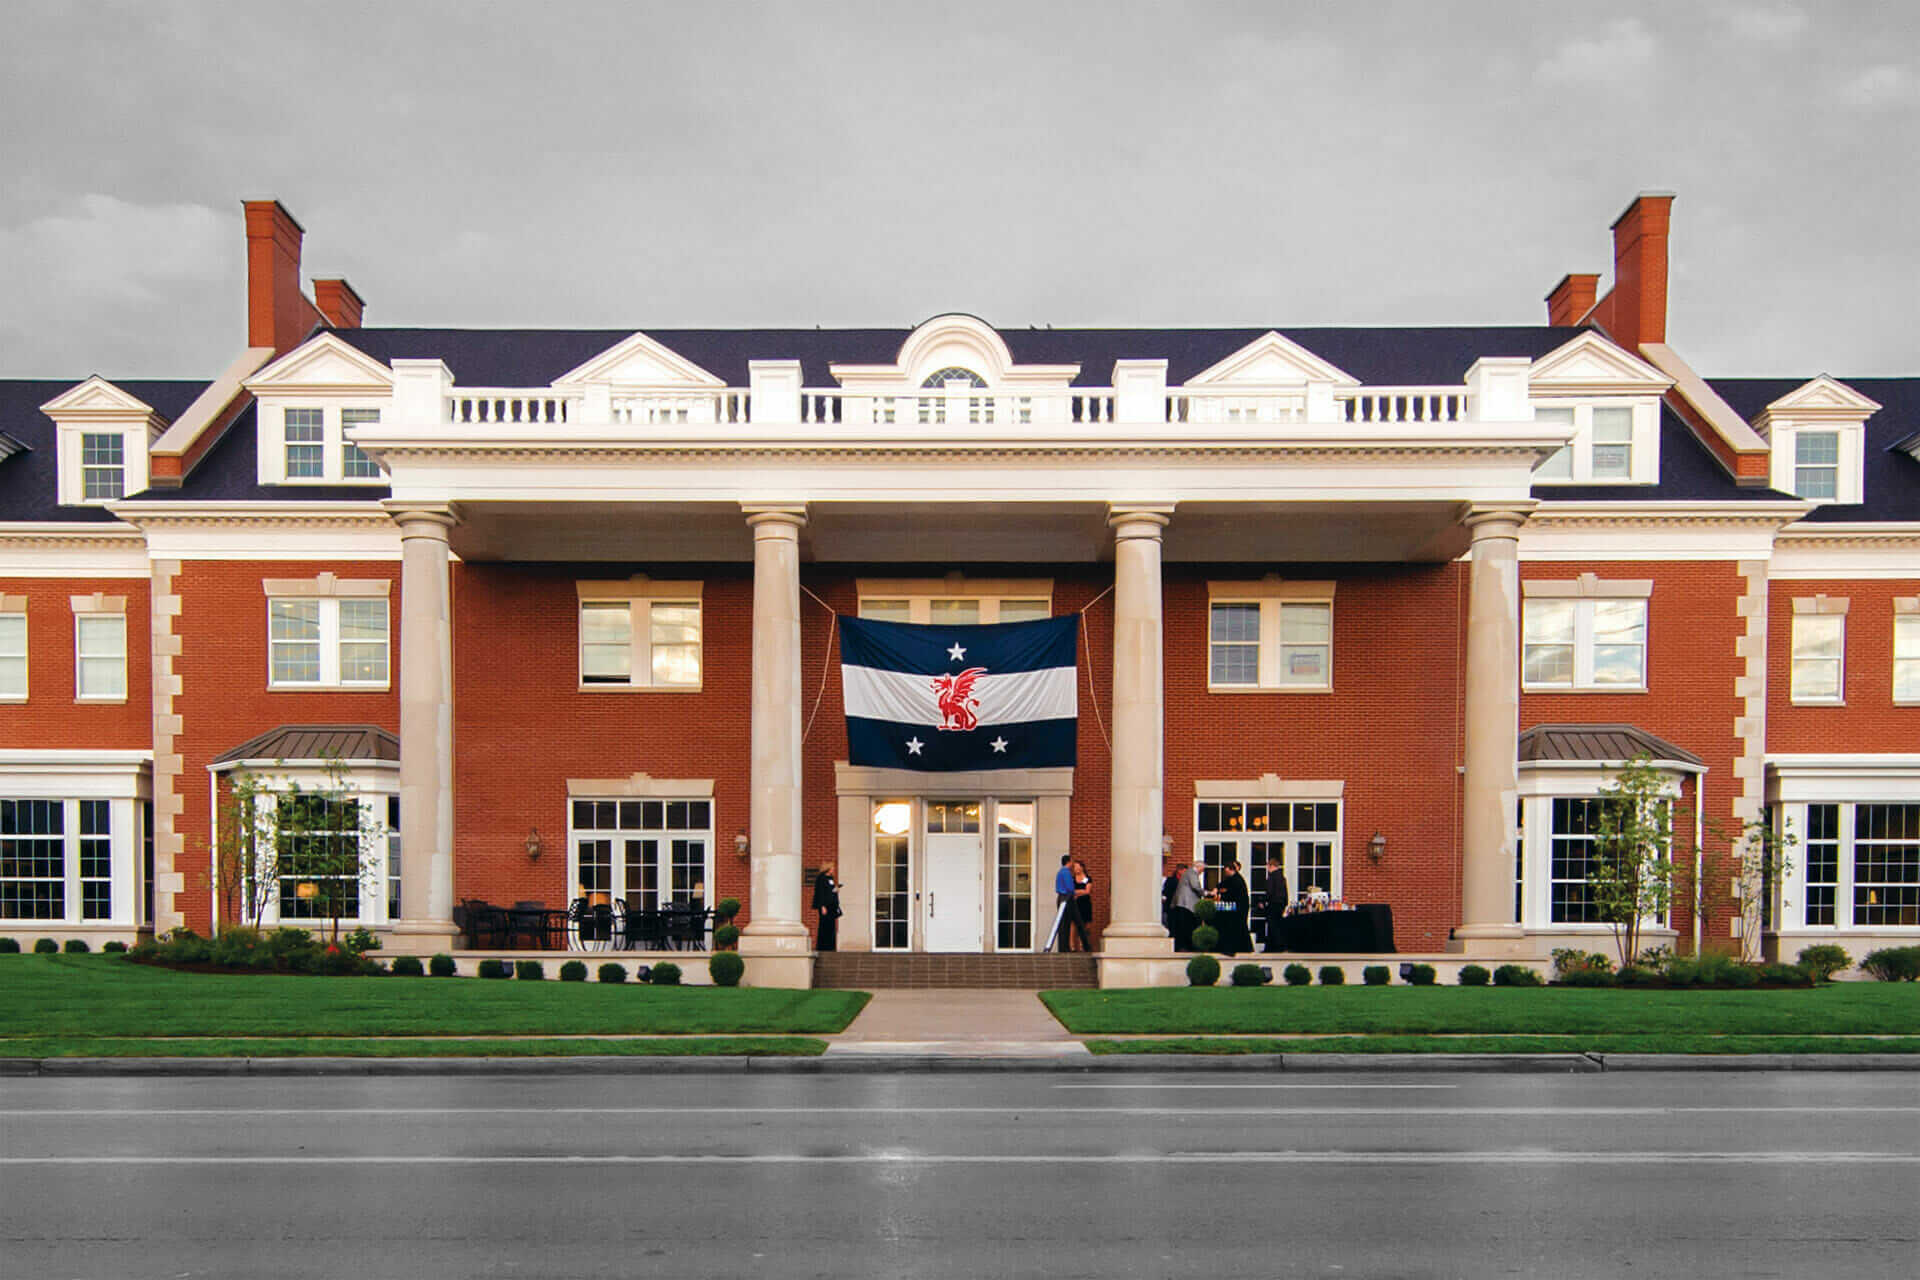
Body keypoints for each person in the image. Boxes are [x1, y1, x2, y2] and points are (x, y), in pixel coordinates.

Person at [1169, 858, 1206, 951]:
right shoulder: (1192, 873)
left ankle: (1184, 946)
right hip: (1186, 904)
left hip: (1183, 903)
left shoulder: (1188, 873)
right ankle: (1187, 946)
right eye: (1202, 869)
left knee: (1183, 927)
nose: (1202, 872)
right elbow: (1195, 886)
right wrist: (1206, 893)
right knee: (1187, 927)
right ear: (1198, 867)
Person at [1217, 858, 1251, 955]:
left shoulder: (1236, 880)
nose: (1225, 872)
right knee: (1240, 928)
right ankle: (1244, 948)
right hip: (1238, 907)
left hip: (1239, 908)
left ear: (1229, 869)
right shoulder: (1233, 878)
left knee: (1236, 927)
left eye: (1225, 870)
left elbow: (1231, 893)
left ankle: (1233, 949)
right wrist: (1219, 888)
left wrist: (1222, 892)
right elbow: (1223, 885)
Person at [1048, 854, 1077, 951]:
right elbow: (1069, 886)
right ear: (1068, 862)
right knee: (1065, 923)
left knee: (1064, 922)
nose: (1073, 863)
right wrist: (1074, 892)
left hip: (1062, 898)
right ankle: (1064, 947)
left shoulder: (1061, 872)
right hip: (1066, 898)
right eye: (1072, 861)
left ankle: (1064, 946)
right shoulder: (1066, 872)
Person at [1262, 853, 1289, 953]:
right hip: (1280, 904)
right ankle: (1279, 946)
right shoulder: (1282, 877)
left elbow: (1270, 891)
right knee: (1278, 925)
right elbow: (1285, 892)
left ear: (1272, 866)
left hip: (1273, 903)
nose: (1267, 868)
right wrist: (1285, 903)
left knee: (1272, 925)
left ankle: (1272, 947)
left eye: (1268, 866)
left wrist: (1263, 901)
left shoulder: (1272, 876)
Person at [812, 865, 841, 952]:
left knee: (831, 926)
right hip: (825, 906)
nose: (833, 870)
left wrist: (835, 889)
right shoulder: (821, 878)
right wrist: (822, 906)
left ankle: (831, 947)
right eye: (832, 868)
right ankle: (823, 947)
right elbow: (820, 893)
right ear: (828, 868)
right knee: (824, 926)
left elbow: (830, 891)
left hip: (831, 905)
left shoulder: (831, 878)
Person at [1068, 858, 1094, 954]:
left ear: (1082, 868)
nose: (1076, 869)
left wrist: (1077, 892)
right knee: (1073, 924)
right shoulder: (1072, 879)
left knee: (1086, 925)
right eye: (1075, 867)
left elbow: (1087, 891)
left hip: (1085, 904)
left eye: (1078, 867)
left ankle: (1082, 945)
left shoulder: (1088, 878)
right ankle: (1072, 946)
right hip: (1076, 904)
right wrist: (1080, 892)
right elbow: (1071, 891)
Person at [1161, 860, 1181, 934]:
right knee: (1171, 924)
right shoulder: (1171, 880)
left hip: (1179, 907)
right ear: (1179, 871)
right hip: (1171, 906)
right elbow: (1166, 892)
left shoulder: (1183, 880)